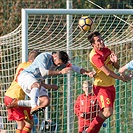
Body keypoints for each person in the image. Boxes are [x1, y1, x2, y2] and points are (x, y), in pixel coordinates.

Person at [16, 51, 95, 115]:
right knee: (36, 85)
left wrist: (87, 72)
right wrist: (60, 72)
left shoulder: (63, 63)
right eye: (58, 63)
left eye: (60, 64)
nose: (59, 65)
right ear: (55, 56)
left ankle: (17, 103)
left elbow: (75, 68)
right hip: (25, 76)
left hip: (36, 82)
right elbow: (44, 73)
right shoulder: (44, 56)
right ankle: (34, 106)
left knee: (45, 101)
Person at [85, 31, 131, 133]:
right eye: (98, 41)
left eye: (101, 39)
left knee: (107, 113)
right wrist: (122, 78)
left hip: (111, 86)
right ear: (93, 44)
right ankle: (88, 131)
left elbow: (116, 67)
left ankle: (91, 131)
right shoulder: (94, 56)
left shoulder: (106, 50)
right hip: (101, 87)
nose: (101, 41)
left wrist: (115, 62)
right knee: (107, 112)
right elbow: (108, 73)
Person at [4, 49, 52, 133]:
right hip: (16, 97)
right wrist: (50, 86)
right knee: (29, 123)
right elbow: (39, 83)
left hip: (9, 95)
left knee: (22, 124)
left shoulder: (22, 65)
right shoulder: (32, 69)